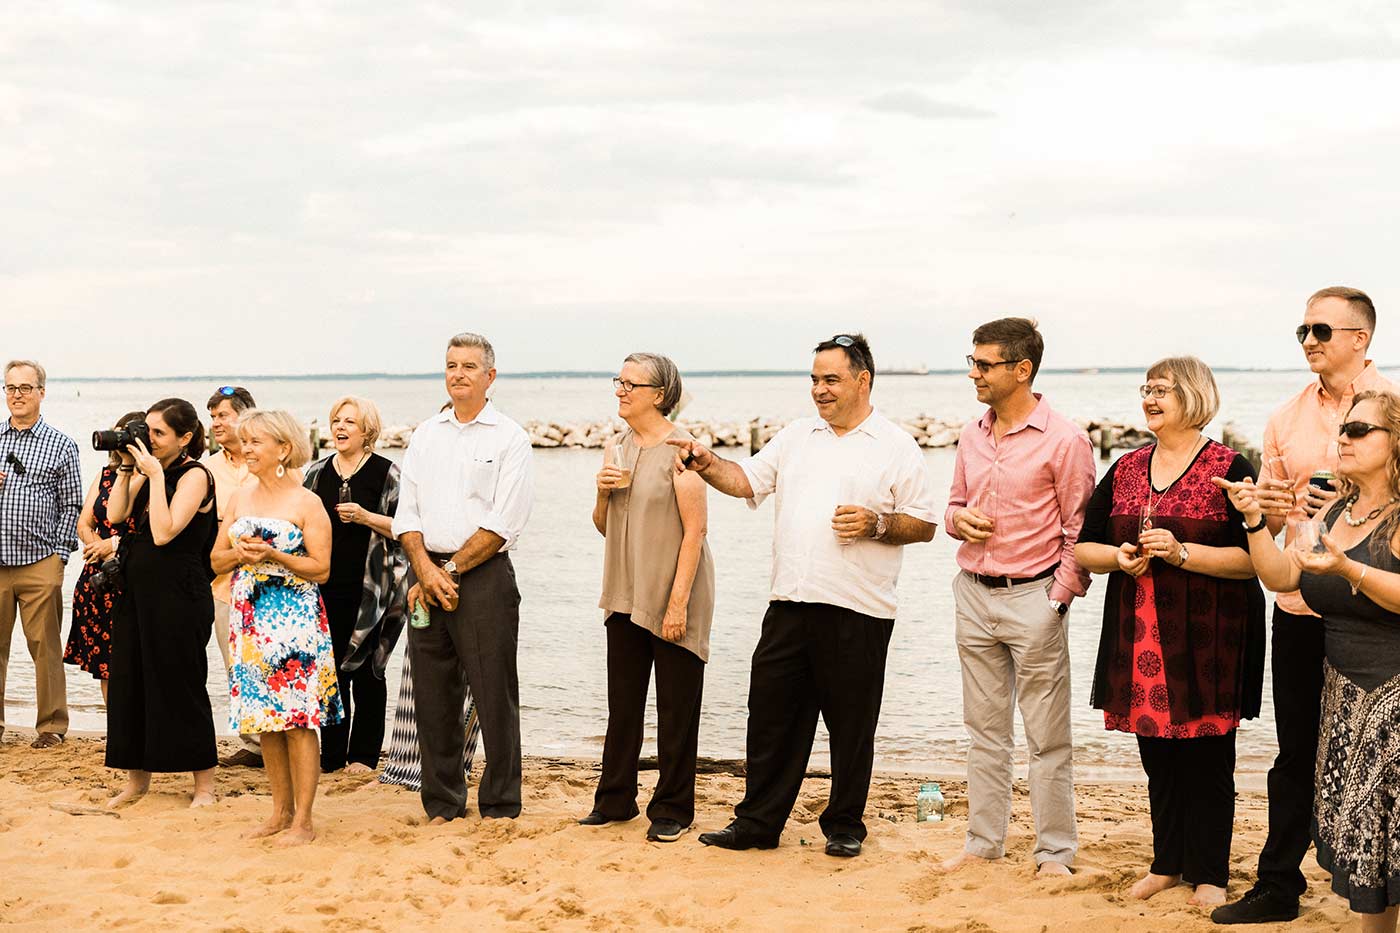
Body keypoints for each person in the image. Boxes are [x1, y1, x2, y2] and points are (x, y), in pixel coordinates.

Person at [671, 333, 937, 858]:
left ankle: (844, 825)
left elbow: (925, 524)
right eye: (814, 379)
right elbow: (744, 480)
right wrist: (705, 461)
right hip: (788, 604)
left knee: (851, 726)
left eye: (831, 379)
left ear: (863, 381)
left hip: (859, 610)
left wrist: (877, 524)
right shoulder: (796, 436)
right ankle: (757, 823)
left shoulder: (895, 445)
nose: (819, 389)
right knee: (769, 718)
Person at [1213, 286, 1397, 925]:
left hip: (1382, 616)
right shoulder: (1286, 417)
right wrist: (1263, 512)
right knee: (1297, 752)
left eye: (1321, 330)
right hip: (1299, 602)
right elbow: (1274, 507)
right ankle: (1279, 884)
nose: (1310, 341)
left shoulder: (1394, 408)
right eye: (1302, 332)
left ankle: (1376, 881)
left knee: (1384, 758)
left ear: (1359, 338)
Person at [1075, 357, 1266, 907]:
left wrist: (1182, 553)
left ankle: (1210, 873)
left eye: (1163, 390)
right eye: (1147, 389)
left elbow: (1252, 561)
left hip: (1210, 638)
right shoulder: (1128, 467)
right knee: (1156, 756)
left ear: (1194, 396)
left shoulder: (1230, 466)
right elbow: (1083, 546)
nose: (1150, 399)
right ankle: (1167, 864)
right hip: (1139, 636)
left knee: (1209, 760)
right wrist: (1120, 555)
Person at [939, 318, 1095, 878]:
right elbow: (951, 508)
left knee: (1048, 738)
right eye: (972, 362)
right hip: (973, 596)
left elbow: (1081, 532)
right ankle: (983, 844)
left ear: (1021, 369)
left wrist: (1058, 600)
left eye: (984, 364)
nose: (974, 373)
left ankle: (1055, 854)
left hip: (1036, 598)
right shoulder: (969, 433)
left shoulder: (1067, 439)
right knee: (983, 731)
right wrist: (961, 521)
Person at [393, 332, 535, 823]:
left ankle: (499, 803)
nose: (458, 373)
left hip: (483, 578)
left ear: (489, 377)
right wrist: (426, 570)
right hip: (425, 575)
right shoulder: (426, 434)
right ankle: (443, 802)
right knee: (433, 698)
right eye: (451, 365)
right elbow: (406, 513)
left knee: (495, 694)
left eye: (469, 366)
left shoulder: (510, 438)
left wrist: (448, 571)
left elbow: (503, 523)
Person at [580, 353, 714, 843]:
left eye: (629, 383)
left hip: (674, 594)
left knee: (677, 709)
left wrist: (676, 606)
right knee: (624, 705)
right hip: (624, 594)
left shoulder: (683, 450)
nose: (619, 389)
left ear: (658, 394)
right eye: (617, 380)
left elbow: (696, 532)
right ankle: (614, 801)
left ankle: (674, 808)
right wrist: (600, 494)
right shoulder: (615, 447)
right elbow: (605, 527)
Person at [212, 409, 340, 845]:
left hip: (294, 619)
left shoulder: (307, 502)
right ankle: (278, 812)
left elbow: (321, 568)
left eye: (255, 442)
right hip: (250, 617)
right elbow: (214, 560)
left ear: (283, 449)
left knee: (298, 720)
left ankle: (303, 820)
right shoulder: (240, 498)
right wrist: (240, 557)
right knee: (265, 719)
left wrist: (275, 555)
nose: (245, 449)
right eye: (243, 441)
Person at [103, 399, 219, 808]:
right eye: (146, 430)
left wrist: (153, 476)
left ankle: (204, 784)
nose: (147, 439)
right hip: (137, 593)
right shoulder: (146, 470)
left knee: (181, 682)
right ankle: (136, 781)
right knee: (131, 683)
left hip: (179, 596)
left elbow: (166, 531)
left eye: (157, 433)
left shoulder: (195, 476)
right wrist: (124, 467)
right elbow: (116, 516)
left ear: (185, 437)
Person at [302, 395, 401, 774]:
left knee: (368, 672)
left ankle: (363, 758)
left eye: (350, 422)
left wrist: (365, 516)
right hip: (323, 586)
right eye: (337, 421)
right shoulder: (315, 473)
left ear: (367, 431)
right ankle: (331, 758)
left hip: (372, 589)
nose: (340, 428)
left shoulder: (386, 473)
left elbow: (404, 527)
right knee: (330, 673)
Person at [0, 359, 81, 749]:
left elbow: (71, 506)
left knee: (45, 648)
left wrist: (59, 557)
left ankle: (51, 726)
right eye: (11, 388)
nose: (17, 395)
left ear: (41, 393)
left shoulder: (62, 444)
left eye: (25, 388)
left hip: (39, 561)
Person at [63, 410, 145, 701]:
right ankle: (116, 733)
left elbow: (149, 531)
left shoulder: (153, 478)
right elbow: (84, 523)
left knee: (136, 663)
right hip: (99, 578)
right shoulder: (105, 474)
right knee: (105, 665)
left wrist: (112, 545)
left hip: (132, 577)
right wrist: (97, 544)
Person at [205, 385, 265, 768]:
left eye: (222, 415)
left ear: (245, 415)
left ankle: (282, 737)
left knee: (270, 663)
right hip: (223, 581)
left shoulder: (269, 460)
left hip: (270, 579)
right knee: (235, 665)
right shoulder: (208, 468)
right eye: (212, 417)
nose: (216, 424)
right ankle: (254, 743)